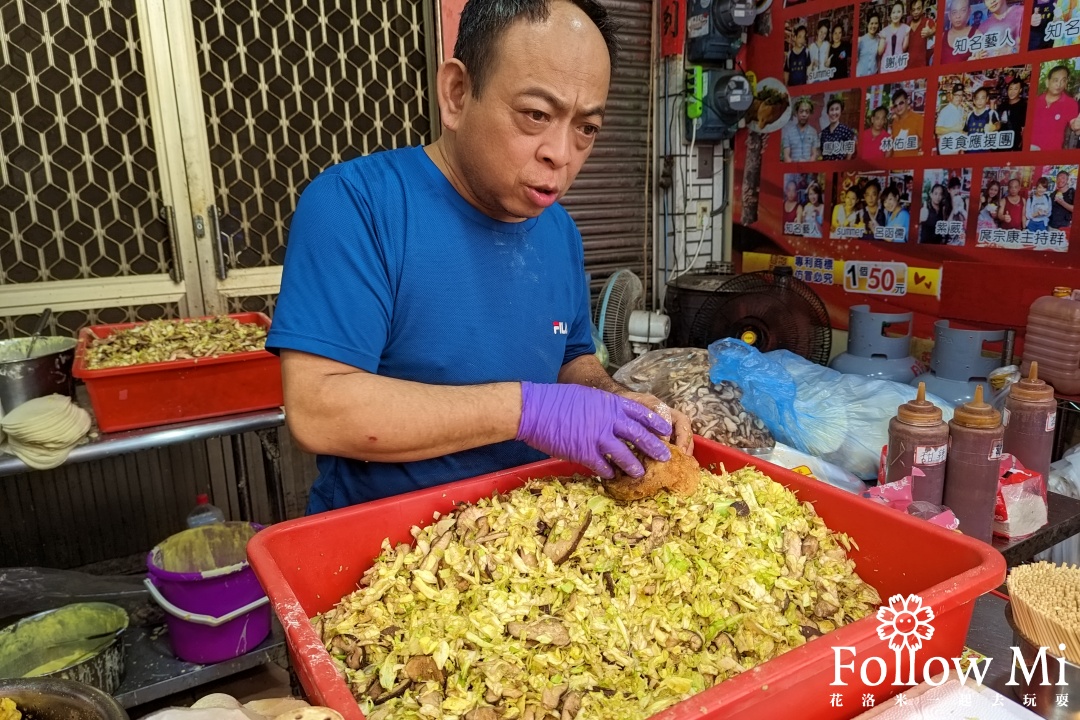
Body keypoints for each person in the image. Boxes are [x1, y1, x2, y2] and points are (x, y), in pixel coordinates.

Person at [267, 0, 693, 513]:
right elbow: (320, 411)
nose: (561, 152)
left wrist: (612, 400)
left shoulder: (558, 230)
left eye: (586, 127)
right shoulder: (356, 206)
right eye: (536, 114)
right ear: (457, 93)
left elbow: (571, 358)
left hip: (530, 535)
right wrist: (529, 412)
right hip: (389, 551)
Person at [1031, 65, 1080, 151]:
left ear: (1066, 83)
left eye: (1063, 80)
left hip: (1051, 157)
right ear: (1047, 82)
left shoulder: (1070, 103)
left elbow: (1073, 124)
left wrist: (1076, 125)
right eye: (1055, 80)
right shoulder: (1035, 101)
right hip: (1028, 153)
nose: (1059, 84)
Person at [890, 87, 924, 157]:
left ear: (907, 101)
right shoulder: (894, 122)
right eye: (895, 105)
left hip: (911, 165)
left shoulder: (918, 119)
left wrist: (911, 145)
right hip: (896, 165)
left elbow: (927, 141)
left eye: (901, 103)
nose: (898, 108)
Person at [935, 83, 968, 154]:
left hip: (958, 148)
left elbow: (960, 129)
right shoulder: (945, 110)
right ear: (952, 95)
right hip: (947, 149)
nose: (959, 98)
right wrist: (953, 129)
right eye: (957, 95)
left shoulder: (961, 109)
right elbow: (937, 130)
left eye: (961, 95)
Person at [880, 1, 912, 71]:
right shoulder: (884, 31)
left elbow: (903, 49)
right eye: (893, 12)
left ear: (902, 13)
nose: (896, 15)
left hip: (899, 66)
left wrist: (907, 35)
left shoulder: (905, 28)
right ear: (890, 14)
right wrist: (882, 39)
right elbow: (880, 52)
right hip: (886, 67)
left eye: (898, 12)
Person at [997, 77, 1027, 150]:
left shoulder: (1024, 106)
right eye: (1010, 89)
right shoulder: (1003, 105)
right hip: (1001, 142)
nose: (1012, 91)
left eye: (1015, 89)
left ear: (1020, 90)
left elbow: (1025, 128)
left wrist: (1022, 142)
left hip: (1015, 144)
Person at [908, 0, 937, 66]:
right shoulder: (907, 26)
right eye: (913, 10)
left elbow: (936, 30)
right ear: (910, 11)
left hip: (923, 67)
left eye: (918, 9)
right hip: (908, 68)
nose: (916, 12)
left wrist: (931, 32)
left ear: (923, 8)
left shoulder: (928, 22)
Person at [947, 176, 968, 243]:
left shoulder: (963, 201)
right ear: (949, 190)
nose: (956, 191)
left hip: (961, 235)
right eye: (954, 188)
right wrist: (954, 209)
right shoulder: (945, 204)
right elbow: (946, 225)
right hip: (950, 236)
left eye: (958, 188)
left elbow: (966, 220)